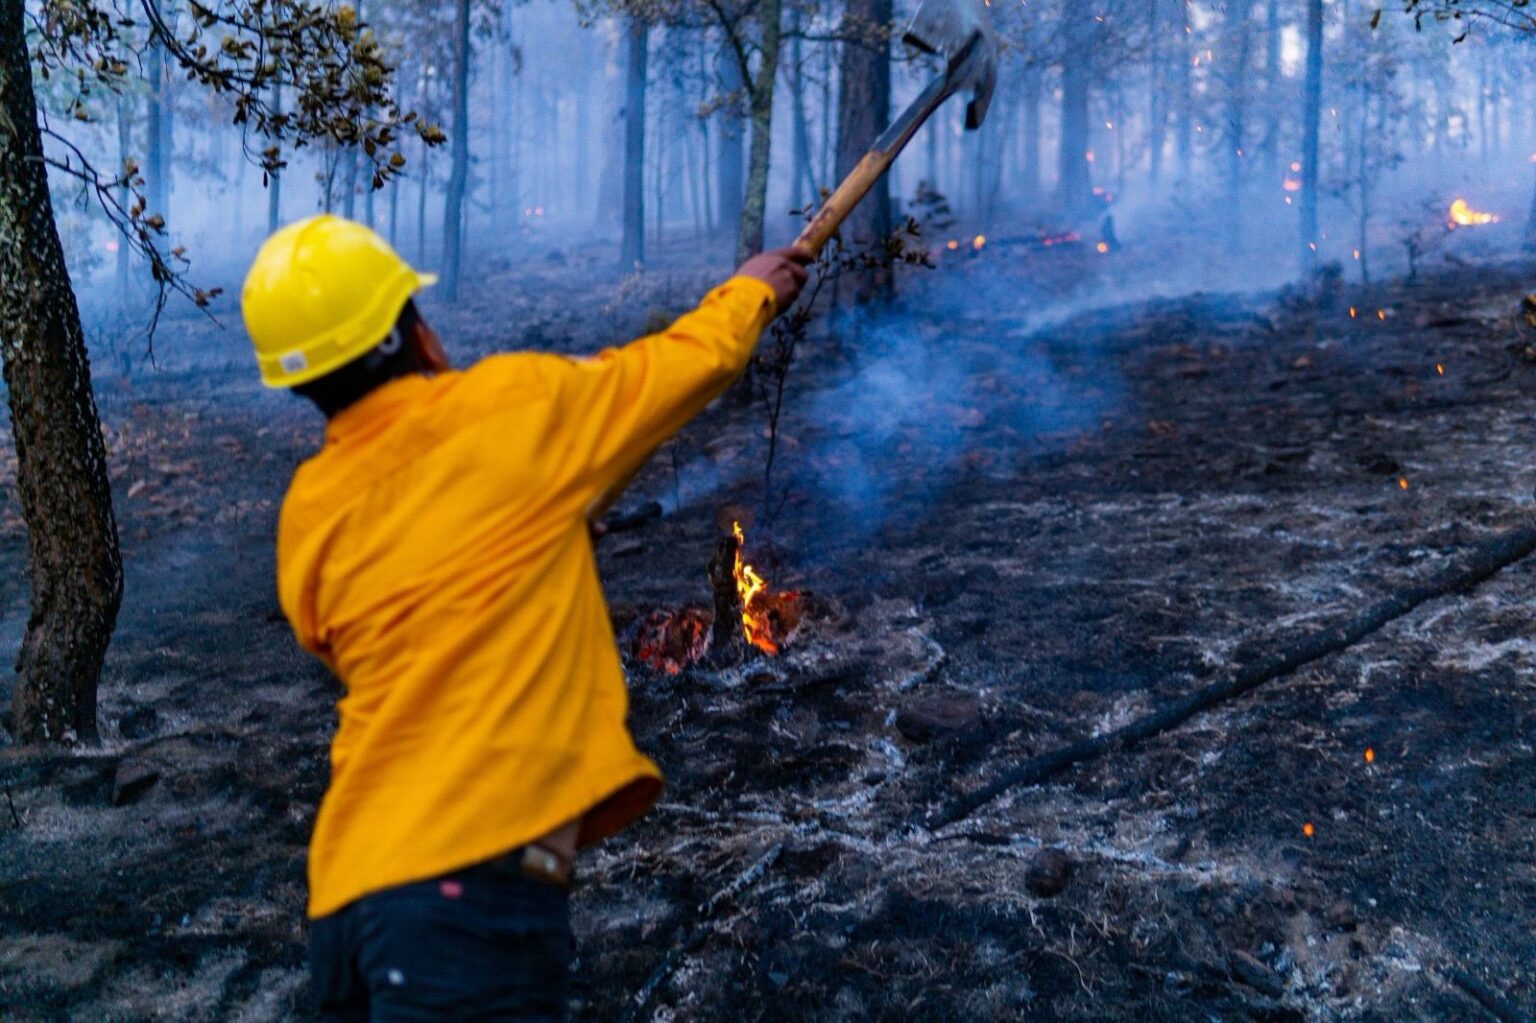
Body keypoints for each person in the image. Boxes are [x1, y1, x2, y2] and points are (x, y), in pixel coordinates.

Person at [241, 214, 811, 1021]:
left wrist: (515, 539)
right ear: (411, 329)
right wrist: (754, 288)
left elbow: (357, 635)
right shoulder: (507, 408)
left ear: (298, 382)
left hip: (346, 896)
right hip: (464, 890)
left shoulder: (308, 506)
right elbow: (679, 366)